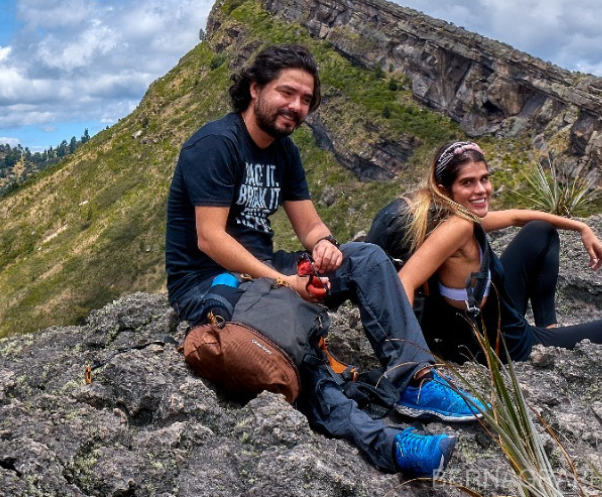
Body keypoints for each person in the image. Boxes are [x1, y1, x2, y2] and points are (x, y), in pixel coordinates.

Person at [166, 44, 484, 478]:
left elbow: (309, 223)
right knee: (299, 348)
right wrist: (284, 282)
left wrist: (324, 247)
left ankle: (415, 379)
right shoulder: (215, 145)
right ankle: (392, 446)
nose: (297, 107)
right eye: (287, 93)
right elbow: (210, 239)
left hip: (266, 268)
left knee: (367, 257)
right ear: (255, 88)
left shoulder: (283, 151)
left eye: (306, 100)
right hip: (211, 280)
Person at [393, 139, 602, 362]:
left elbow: (514, 217)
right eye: (467, 183)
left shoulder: (447, 216)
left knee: (540, 231)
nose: (481, 189)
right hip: (508, 346)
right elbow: (405, 280)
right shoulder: (458, 228)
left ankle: (549, 328)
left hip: (486, 323)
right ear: (445, 189)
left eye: (484, 179)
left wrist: (581, 227)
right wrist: (411, 359)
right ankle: (546, 343)